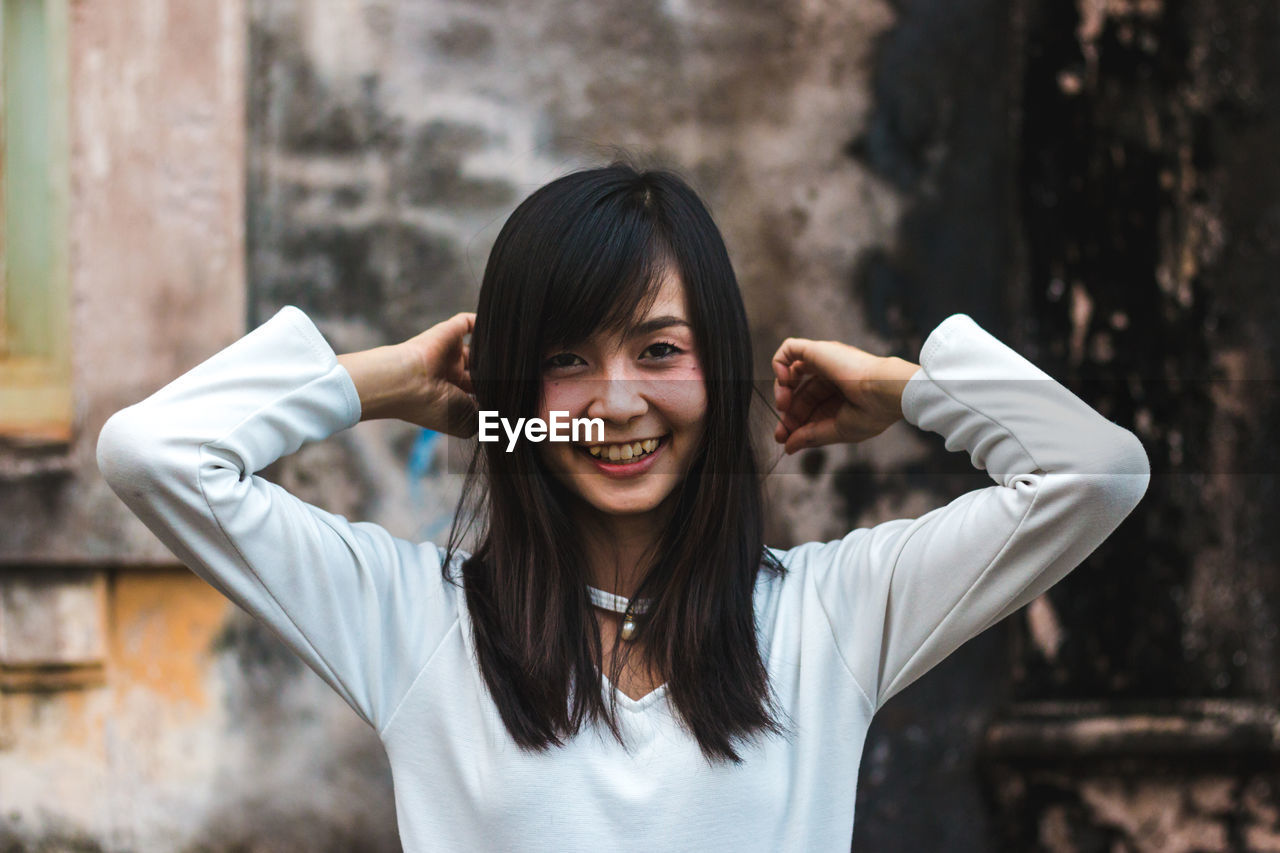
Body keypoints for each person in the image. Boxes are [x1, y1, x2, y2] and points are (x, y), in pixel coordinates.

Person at [96, 162, 1150, 851]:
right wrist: (381, 380)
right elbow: (153, 453)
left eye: (658, 350)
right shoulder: (413, 620)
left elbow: (1095, 473)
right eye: (564, 360)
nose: (614, 403)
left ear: (716, 365)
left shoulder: (831, 617)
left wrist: (903, 384)